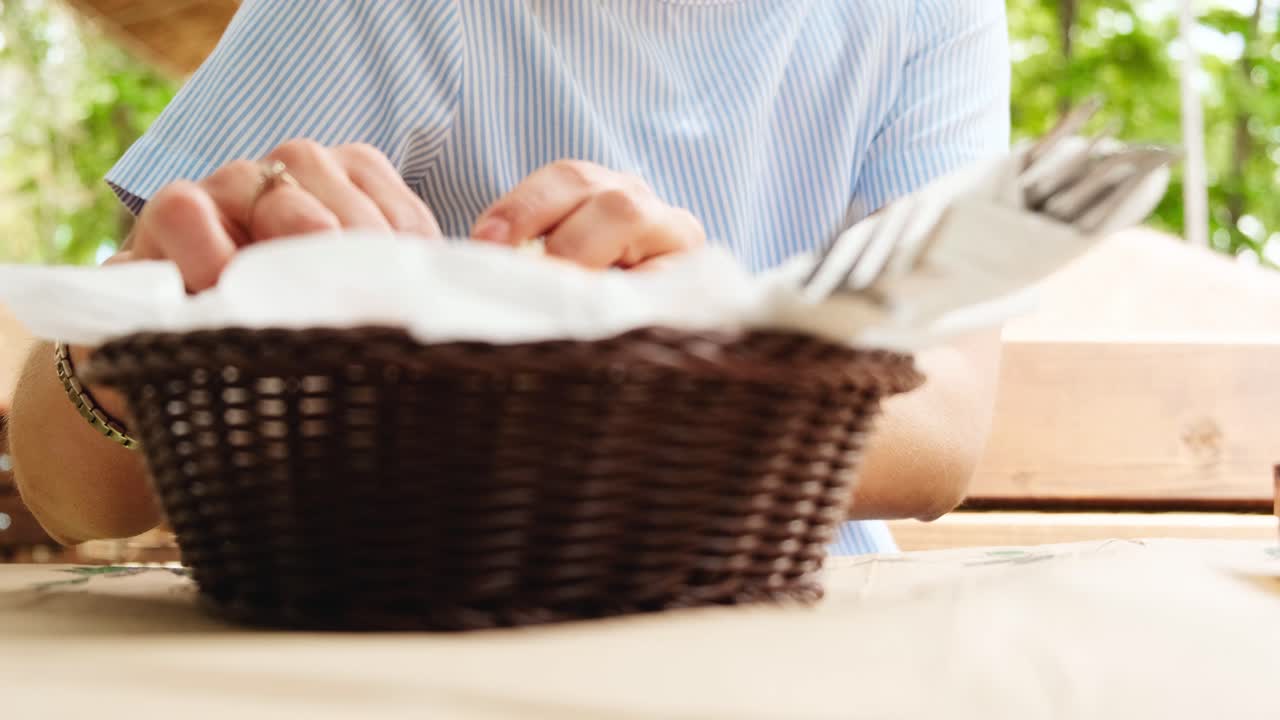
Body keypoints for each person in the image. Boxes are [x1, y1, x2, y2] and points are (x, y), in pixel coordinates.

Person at [9, 0, 1010, 554]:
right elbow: (73, 498)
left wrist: (669, 344)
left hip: (803, 637)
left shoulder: (927, 16)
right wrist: (124, 350)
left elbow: (943, 428)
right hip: (416, 636)